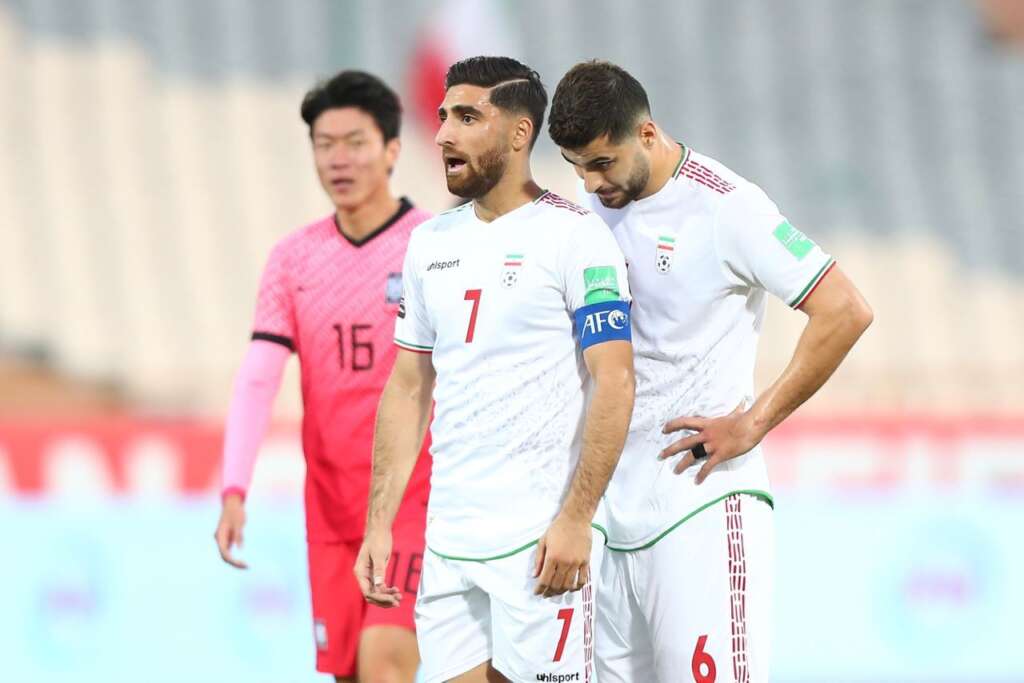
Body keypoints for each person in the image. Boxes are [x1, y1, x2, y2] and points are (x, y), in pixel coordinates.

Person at [549, 60, 874, 682]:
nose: (589, 184)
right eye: (576, 168)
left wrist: (752, 423)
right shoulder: (588, 216)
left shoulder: (729, 208)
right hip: (606, 515)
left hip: (695, 504)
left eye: (601, 164)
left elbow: (845, 310)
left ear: (646, 134)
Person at [354, 56, 635, 683]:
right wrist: (380, 524)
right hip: (451, 544)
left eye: (467, 117)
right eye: (443, 116)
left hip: (540, 544)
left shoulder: (576, 238)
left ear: (518, 133)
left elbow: (615, 380)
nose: (444, 133)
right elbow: (407, 387)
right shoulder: (430, 244)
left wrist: (575, 519)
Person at [213, 70, 431, 683]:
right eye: (324, 144)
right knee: (349, 675)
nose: (338, 159)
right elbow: (259, 377)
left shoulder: (432, 248)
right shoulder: (293, 259)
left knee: (385, 663)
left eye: (355, 142)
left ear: (391, 149)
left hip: (416, 502)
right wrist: (235, 488)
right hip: (332, 511)